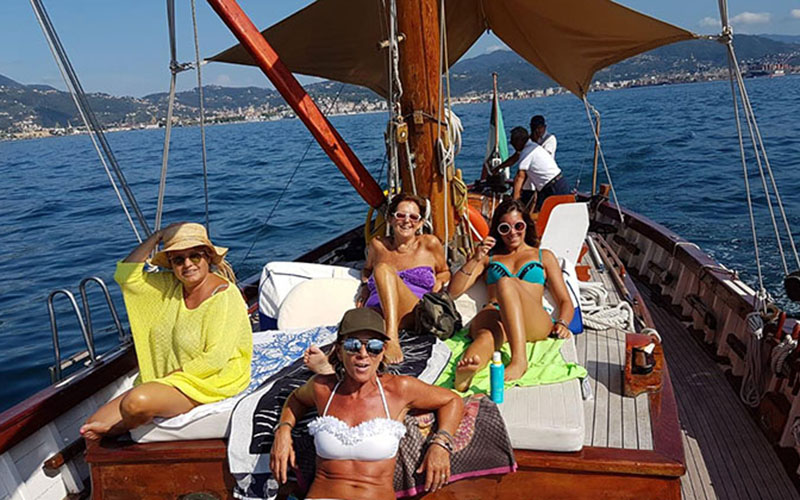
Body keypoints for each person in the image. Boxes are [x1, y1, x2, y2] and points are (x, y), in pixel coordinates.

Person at [80, 222, 252, 440]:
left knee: (135, 404)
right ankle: (126, 420)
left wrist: (164, 381)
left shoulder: (225, 295)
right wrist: (158, 235)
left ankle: (118, 429)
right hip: (171, 379)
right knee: (90, 426)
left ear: (208, 257)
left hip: (211, 379)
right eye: (178, 259)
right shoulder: (170, 286)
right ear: (171, 265)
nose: (187, 264)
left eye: (195, 256)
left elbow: (215, 359)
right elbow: (126, 276)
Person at [271, 308, 464, 500]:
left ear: (383, 352)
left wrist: (440, 444)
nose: (363, 353)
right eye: (353, 345)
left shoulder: (399, 390)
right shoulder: (323, 389)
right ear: (339, 351)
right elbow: (295, 399)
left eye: (373, 346)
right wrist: (283, 430)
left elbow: (451, 400)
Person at [448, 200, 573, 391]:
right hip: (494, 313)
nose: (512, 232)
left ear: (526, 226)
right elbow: (453, 291)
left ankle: (519, 360)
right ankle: (466, 370)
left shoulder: (543, 256)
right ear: (498, 231)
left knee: (506, 282)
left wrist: (563, 322)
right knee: (485, 337)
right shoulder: (489, 258)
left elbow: (565, 300)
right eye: (505, 228)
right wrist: (475, 259)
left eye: (518, 226)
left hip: (531, 319)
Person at [508, 126, 570, 212]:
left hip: (554, 188)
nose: (512, 144)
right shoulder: (532, 147)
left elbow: (520, 177)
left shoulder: (526, 153)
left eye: (513, 141)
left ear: (519, 141)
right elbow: (514, 159)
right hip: (552, 185)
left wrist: (515, 202)